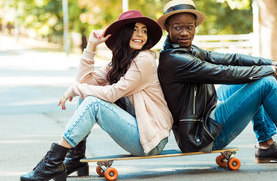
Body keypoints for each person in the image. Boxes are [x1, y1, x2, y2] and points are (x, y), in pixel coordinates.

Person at [156, 0, 277, 169]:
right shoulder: (174, 59)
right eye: (178, 27)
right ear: (167, 28)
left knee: (256, 78)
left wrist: (271, 63)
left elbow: (231, 59)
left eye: (189, 27)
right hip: (200, 135)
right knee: (265, 83)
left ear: (195, 26)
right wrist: (270, 71)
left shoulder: (188, 50)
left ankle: (266, 145)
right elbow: (224, 73)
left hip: (207, 112)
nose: (185, 33)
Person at [20, 10, 173, 181]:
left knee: (92, 101)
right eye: (135, 29)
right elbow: (84, 82)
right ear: (124, 33)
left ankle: (51, 164)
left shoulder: (144, 59)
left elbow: (113, 92)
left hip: (151, 139)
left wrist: (76, 88)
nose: (140, 35)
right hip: (137, 130)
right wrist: (91, 46)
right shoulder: (120, 62)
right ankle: (74, 158)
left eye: (144, 30)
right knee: (86, 95)